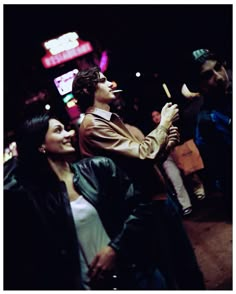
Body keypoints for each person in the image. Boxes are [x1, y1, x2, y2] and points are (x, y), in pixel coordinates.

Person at [72, 66, 205, 289]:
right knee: (177, 271)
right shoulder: (93, 125)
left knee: (184, 265)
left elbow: (139, 158)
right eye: (103, 81)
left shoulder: (107, 118)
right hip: (145, 207)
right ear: (88, 90)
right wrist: (163, 124)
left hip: (157, 200)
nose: (110, 84)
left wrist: (167, 143)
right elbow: (143, 154)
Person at [4, 114, 167, 290]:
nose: (69, 134)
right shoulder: (38, 197)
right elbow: (6, 191)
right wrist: (14, 160)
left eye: (66, 129)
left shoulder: (98, 168)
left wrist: (115, 248)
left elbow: (142, 208)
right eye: (59, 131)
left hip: (136, 276)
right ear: (40, 145)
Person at [187, 48, 232, 218]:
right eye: (208, 75)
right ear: (199, 85)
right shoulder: (207, 121)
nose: (219, 77)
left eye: (218, 67)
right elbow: (221, 168)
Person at [151, 110, 193, 215]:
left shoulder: (173, 124)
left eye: (157, 114)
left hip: (180, 152)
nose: (156, 117)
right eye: (153, 116)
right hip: (167, 158)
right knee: (176, 179)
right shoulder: (154, 133)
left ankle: (197, 192)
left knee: (190, 173)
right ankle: (186, 205)